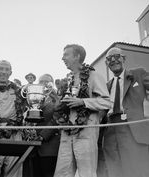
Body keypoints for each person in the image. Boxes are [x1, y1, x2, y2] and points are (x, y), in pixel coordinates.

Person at [53, 44, 111, 177]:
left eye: (66, 54)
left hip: (86, 131)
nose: (62, 58)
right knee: (62, 172)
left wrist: (83, 102)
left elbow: (107, 102)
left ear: (77, 56)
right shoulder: (68, 79)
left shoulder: (94, 75)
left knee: (86, 173)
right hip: (67, 132)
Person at [103, 47, 149, 177]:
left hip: (132, 128)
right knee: (115, 169)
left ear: (124, 58)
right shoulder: (107, 85)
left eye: (117, 56)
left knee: (136, 170)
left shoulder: (138, 74)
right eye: (109, 59)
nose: (113, 60)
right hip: (111, 129)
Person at [30, 74, 60, 177]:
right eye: (41, 81)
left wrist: (43, 135)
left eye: (47, 82)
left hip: (49, 146)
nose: (44, 84)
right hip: (32, 147)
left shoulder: (56, 99)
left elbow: (57, 118)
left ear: (52, 84)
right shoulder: (33, 97)